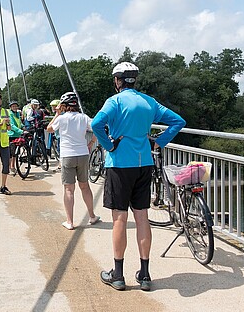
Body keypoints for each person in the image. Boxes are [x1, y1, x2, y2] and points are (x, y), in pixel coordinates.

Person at [91, 62, 185, 292]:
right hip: (145, 163)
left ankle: (118, 275)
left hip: (120, 165)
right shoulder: (149, 102)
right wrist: (159, 141)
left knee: (119, 219)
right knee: (142, 216)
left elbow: (96, 124)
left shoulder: (114, 101)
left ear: (117, 80)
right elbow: (178, 121)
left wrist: (108, 145)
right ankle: (144, 274)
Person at [47, 92, 100, 230]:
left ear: (64, 105)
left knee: (69, 189)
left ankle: (70, 222)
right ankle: (92, 216)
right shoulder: (84, 117)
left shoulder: (62, 118)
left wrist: (57, 114)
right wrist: (91, 143)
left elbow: (49, 129)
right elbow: (97, 129)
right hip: (82, 154)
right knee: (85, 186)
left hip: (67, 156)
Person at [7, 101, 24, 175]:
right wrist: (20, 131)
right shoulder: (10, 114)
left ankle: (13, 166)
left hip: (17, 135)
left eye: (16, 106)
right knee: (11, 153)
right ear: (10, 107)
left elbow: (19, 123)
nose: (14, 107)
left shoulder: (17, 114)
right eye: (13, 106)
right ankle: (8, 168)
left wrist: (24, 127)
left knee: (15, 153)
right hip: (11, 135)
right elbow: (12, 125)